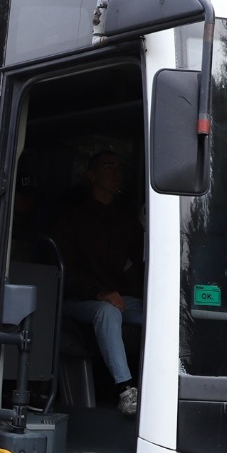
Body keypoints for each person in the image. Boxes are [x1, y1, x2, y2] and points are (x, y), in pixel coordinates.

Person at [54, 150, 145, 415]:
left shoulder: (127, 219)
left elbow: (140, 261)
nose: (117, 173)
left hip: (120, 298)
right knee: (107, 312)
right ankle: (126, 390)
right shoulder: (72, 219)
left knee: (160, 313)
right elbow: (65, 272)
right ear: (92, 176)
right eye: (109, 167)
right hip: (79, 301)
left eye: (120, 167)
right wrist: (99, 293)